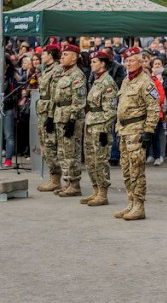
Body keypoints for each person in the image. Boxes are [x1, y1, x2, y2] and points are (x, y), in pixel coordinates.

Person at [114, 45, 160, 220]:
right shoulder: (127, 81)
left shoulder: (146, 82)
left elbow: (154, 108)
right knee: (126, 169)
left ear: (141, 62)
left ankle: (139, 206)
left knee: (137, 170)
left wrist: (148, 130)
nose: (128, 63)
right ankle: (131, 202)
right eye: (126, 60)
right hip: (124, 131)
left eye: (132, 60)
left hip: (137, 130)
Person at [49, 44, 87, 197]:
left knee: (72, 152)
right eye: (62, 54)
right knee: (63, 151)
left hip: (71, 118)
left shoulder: (77, 75)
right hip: (60, 115)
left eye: (66, 54)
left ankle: (75, 184)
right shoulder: (64, 74)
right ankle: (67, 182)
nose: (62, 57)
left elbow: (79, 99)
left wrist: (72, 120)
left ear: (74, 57)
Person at [81, 50, 118, 206]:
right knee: (90, 160)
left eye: (95, 61)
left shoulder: (108, 82)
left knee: (100, 160)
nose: (91, 64)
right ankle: (95, 190)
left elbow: (111, 110)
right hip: (91, 124)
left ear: (103, 63)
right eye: (91, 61)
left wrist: (104, 129)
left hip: (100, 127)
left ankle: (103, 194)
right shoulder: (96, 80)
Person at [36, 42, 64, 191]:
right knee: (45, 146)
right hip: (43, 110)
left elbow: (55, 95)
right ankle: (52, 177)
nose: (42, 57)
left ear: (51, 55)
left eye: (44, 54)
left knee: (50, 145)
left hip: (49, 112)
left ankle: (56, 179)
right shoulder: (48, 70)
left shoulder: (57, 70)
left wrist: (52, 116)